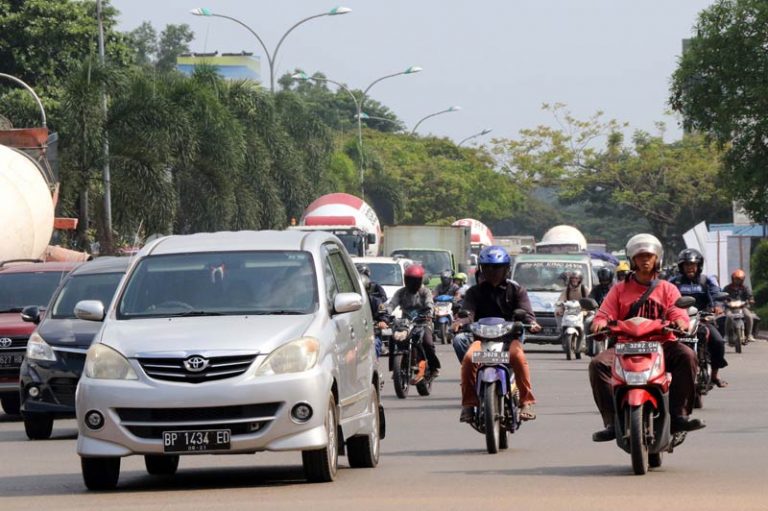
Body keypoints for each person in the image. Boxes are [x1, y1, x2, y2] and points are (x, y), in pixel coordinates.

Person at [589, 234, 704, 442]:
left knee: (687, 356)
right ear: (632, 260)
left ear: (657, 259)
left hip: (662, 344)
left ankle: (679, 415)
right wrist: (600, 322)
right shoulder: (619, 290)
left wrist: (680, 322)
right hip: (625, 346)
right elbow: (604, 313)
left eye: (649, 256)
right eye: (640, 256)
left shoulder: (667, 288)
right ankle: (611, 422)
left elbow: (677, 312)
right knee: (597, 364)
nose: (645, 260)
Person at [452, 246, 541, 423]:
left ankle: (527, 401)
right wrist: (459, 322)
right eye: (488, 267)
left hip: (509, 339)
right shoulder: (474, 292)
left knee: (518, 357)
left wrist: (531, 323)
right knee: (469, 359)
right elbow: (467, 312)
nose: (493, 272)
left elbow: (527, 313)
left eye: (497, 267)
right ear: (482, 269)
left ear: (506, 269)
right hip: (482, 339)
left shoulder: (516, 290)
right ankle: (469, 404)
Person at [668, 248, 729, 388]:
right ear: (681, 267)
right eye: (687, 265)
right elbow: (665, 298)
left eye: (693, 264)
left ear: (699, 266)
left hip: (702, 319)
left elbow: (716, 294)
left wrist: (717, 306)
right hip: (679, 322)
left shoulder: (707, 280)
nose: (690, 267)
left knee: (718, 341)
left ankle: (714, 375)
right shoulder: (673, 282)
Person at [379, 264, 440, 381]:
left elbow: (429, 303)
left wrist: (429, 312)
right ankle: (395, 368)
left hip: (423, 322)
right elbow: (392, 304)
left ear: (420, 280)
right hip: (405, 323)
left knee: (427, 343)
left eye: (415, 280)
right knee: (393, 339)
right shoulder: (401, 292)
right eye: (410, 280)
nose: (412, 283)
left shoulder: (425, 292)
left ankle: (433, 368)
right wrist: (385, 312)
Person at [723, 269, 760, 342]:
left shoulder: (745, 288)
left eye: (739, 279)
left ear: (742, 280)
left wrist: (751, 300)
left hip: (742, 307)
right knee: (729, 317)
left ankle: (749, 335)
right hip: (730, 308)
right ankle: (726, 335)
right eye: (736, 279)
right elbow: (723, 296)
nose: (737, 281)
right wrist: (725, 301)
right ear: (733, 279)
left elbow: (750, 296)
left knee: (749, 316)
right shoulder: (727, 288)